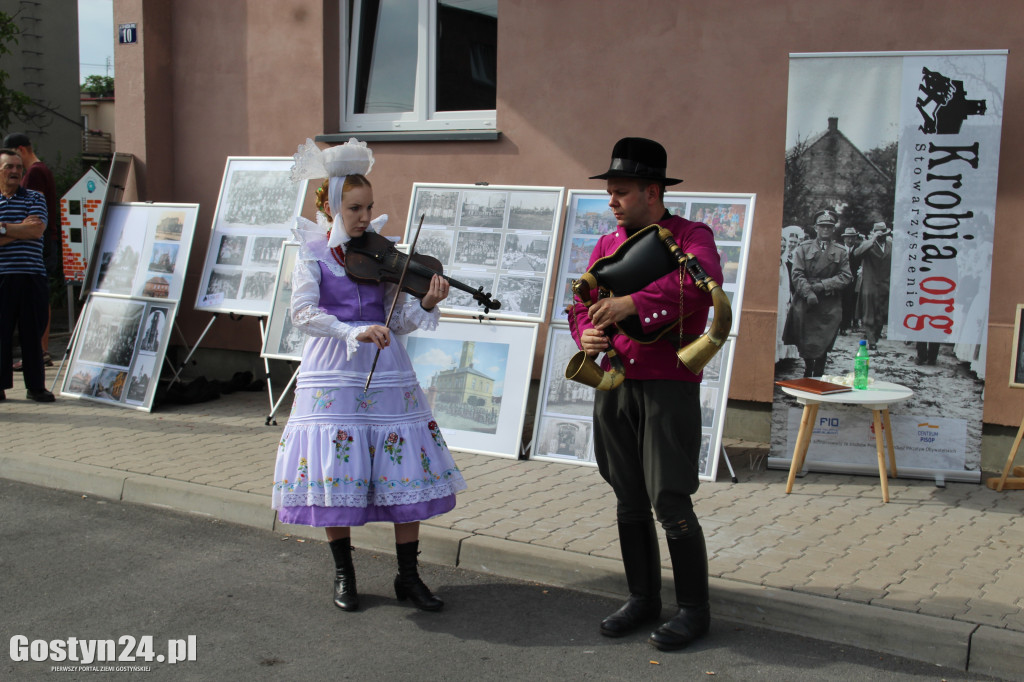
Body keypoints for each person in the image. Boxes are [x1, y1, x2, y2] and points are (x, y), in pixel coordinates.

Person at [272, 138, 465, 613]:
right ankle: (344, 575)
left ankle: (408, 577)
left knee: (404, 466)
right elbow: (301, 312)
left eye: (369, 207)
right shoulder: (314, 252)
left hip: (387, 375)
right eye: (354, 207)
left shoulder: (380, 254)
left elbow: (394, 322)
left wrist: (424, 303)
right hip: (332, 373)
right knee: (335, 470)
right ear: (331, 205)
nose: (363, 217)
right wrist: (350, 331)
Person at [568, 137, 722, 652]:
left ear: (653, 192)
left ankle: (694, 611)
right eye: (610, 191)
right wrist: (584, 336)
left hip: (667, 382)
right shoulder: (608, 244)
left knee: (670, 497)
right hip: (614, 379)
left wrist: (632, 303)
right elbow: (581, 303)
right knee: (627, 495)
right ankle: (642, 598)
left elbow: (704, 286)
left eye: (621, 192)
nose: (611, 201)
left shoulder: (691, 234)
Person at [0, 148, 54, 402]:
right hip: (2, 276)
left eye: (18, 167)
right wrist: (19, 229)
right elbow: (28, 229)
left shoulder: (35, 197)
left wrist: (2, 228)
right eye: (8, 167)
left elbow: (36, 231)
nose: (14, 171)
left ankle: (36, 387)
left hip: (32, 275)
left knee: (33, 333)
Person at [789, 209, 853, 377]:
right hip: (806, 301)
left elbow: (846, 276)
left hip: (829, 303)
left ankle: (818, 372)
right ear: (816, 228)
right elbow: (796, 273)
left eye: (829, 227)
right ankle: (808, 368)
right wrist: (808, 292)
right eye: (822, 226)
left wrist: (823, 285)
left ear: (833, 229)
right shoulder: (803, 248)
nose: (826, 229)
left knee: (824, 340)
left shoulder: (841, 251)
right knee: (806, 339)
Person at [854, 221, 892, 350]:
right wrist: (872, 239)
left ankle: (875, 336)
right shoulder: (868, 245)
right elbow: (856, 253)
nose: (882, 237)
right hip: (870, 285)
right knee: (868, 314)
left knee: (881, 315)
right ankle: (871, 340)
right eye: (879, 235)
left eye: (884, 234)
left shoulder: (890, 245)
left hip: (885, 284)